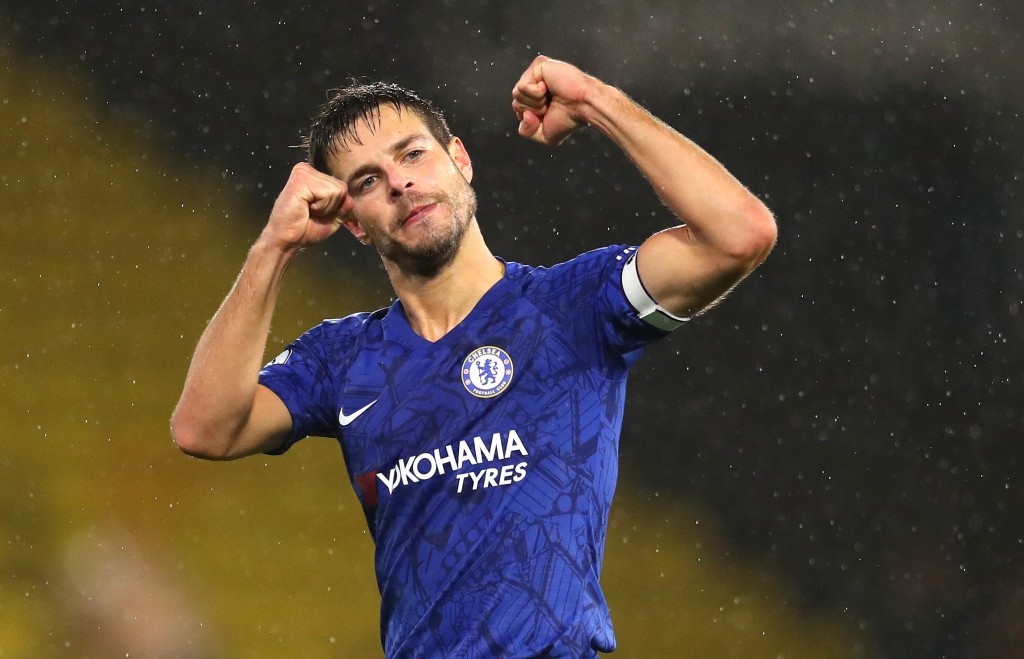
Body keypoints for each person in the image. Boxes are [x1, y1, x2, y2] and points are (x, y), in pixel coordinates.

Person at [171, 55, 776, 657]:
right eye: (367, 181)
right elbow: (204, 428)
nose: (400, 183)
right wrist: (274, 247)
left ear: (460, 158)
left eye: (413, 154)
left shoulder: (572, 307)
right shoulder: (340, 357)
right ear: (352, 223)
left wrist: (596, 100)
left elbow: (738, 236)